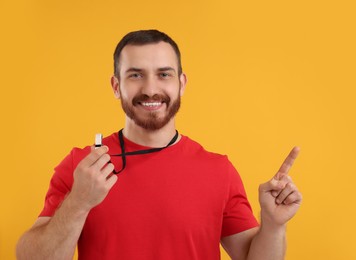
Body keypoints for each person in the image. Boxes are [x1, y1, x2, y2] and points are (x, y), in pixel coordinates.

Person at [16, 29, 302, 260]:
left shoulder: (218, 170)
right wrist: (79, 202)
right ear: (116, 86)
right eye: (136, 75)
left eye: (164, 74)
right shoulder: (83, 167)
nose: (151, 89)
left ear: (181, 83)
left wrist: (274, 226)